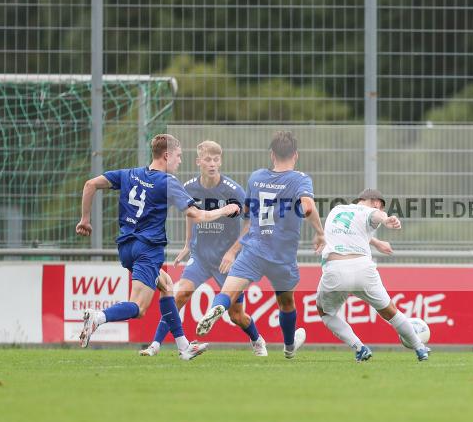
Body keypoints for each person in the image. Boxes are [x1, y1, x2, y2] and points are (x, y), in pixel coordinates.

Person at [75, 134, 240, 360]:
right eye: (179, 156)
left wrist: (85, 219)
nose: (180, 161)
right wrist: (224, 210)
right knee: (139, 307)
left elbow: (90, 184)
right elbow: (197, 214)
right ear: (166, 155)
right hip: (148, 249)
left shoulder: (130, 174)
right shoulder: (168, 183)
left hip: (126, 247)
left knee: (166, 285)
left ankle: (184, 347)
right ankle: (98, 317)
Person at [195, 131, 325, 359]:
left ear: (272, 155)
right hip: (282, 256)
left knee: (228, 292)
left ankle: (217, 308)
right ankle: (289, 347)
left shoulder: (256, 177)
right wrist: (319, 233)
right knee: (286, 303)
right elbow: (308, 207)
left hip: (253, 248)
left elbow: (246, 213)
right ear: (295, 155)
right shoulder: (300, 179)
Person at [139, 140, 248, 356]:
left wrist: (233, 251)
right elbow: (191, 213)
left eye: (216, 159)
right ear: (198, 161)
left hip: (225, 260)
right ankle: (155, 345)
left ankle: (257, 340)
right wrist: (188, 243)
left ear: (221, 162)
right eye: (208, 159)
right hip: (200, 256)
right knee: (180, 295)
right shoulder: (188, 187)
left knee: (237, 315)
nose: (212, 163)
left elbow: (251, 222)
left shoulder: (233, 190)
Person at [315, 189, 430, 362]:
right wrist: (386, 219)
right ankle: (420, 348)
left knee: (325, 312)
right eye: (383, 208)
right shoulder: (371, 211)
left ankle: (359, 347)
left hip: (335, 269)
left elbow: (350, 232)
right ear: (376, 202)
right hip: (363, 269)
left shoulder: (337, 210)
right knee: (391, 312)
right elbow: (375, 215)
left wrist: (376, 242)